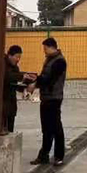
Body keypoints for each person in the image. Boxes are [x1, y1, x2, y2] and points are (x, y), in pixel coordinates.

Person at [30, 38, 67, 166]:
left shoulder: (59, 61)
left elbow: (49, 79)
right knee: (46, 128)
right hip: (46, 97)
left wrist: (35, 83)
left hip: (54, 98)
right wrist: (35, 79)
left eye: (45, 48)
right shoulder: (50, 59)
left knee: (56, 128)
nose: (44, 51)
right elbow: (44, 77)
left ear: (52, 47)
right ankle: (44, 156)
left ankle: (59, 155)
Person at [0, 44, 31, 133]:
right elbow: (8, 77)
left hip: (11, 101)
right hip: (2, 101)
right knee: (3, 126)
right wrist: (21, 76)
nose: (18, 59)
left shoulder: (15, 67)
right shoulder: (2, 64)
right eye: (16, 57)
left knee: (10, 127)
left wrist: (24, 89)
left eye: (19, 57)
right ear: (10, 55)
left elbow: (15, 83)